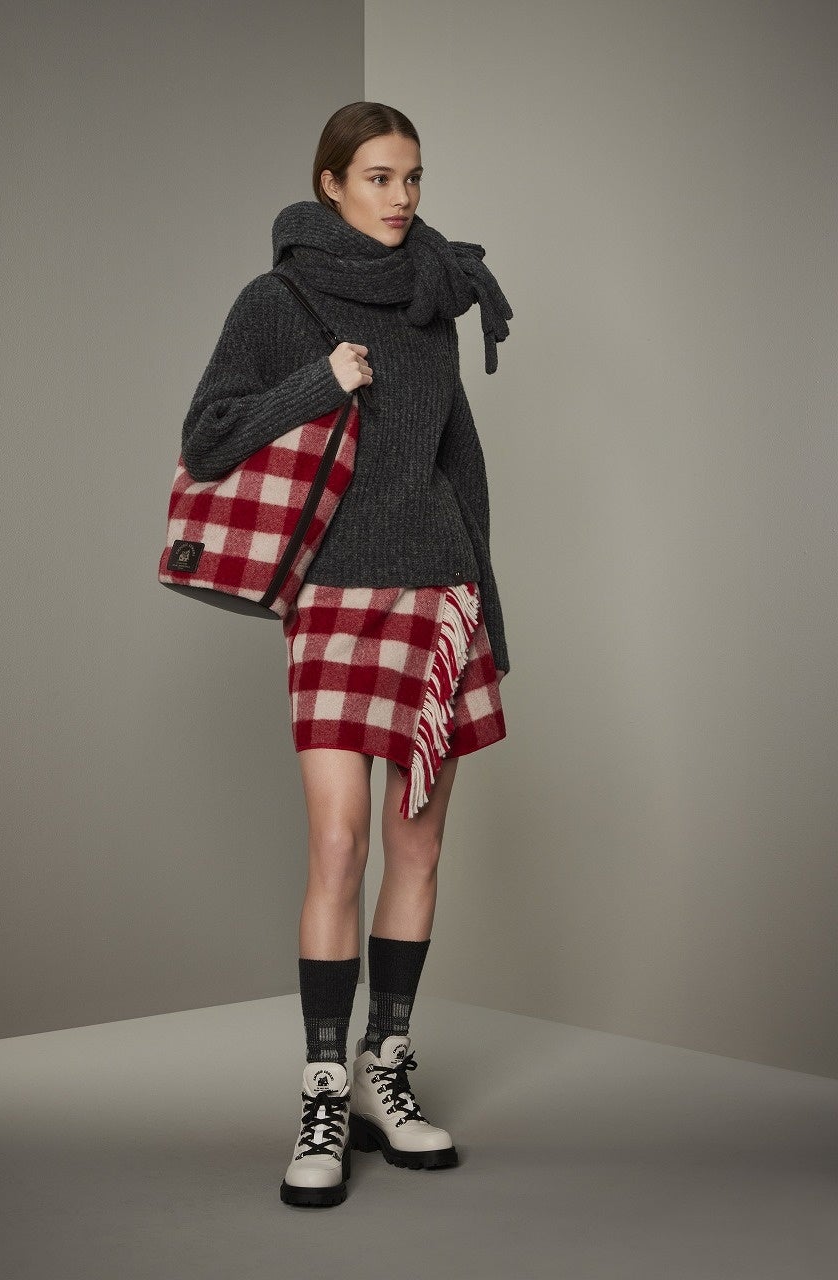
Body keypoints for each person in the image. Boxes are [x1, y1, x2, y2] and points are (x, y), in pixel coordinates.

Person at [180, 102, 513, 1208]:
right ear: (329, 183)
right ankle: (323, 1087)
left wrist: (485, 609)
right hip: (333, 597)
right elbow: (206, 436)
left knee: (418, 847)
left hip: (439, 592)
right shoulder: (277, 301)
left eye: (413, 177)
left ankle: (385, 1068)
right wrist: (319, 381)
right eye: (378, 176)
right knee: (338, 841)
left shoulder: (434, 297)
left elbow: (460, 466)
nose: (402, 197)